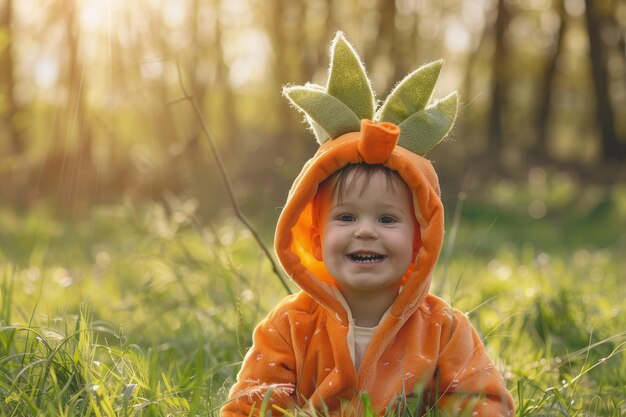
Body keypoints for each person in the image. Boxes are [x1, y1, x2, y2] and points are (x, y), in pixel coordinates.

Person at [221, 32, 514, 417]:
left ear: (419, 239)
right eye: (346, 216)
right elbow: (251, 403)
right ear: (316, 235)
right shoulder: (290, 326)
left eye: (387, 218)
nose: (365, 230)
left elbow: (484, 403)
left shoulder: (443, 330)